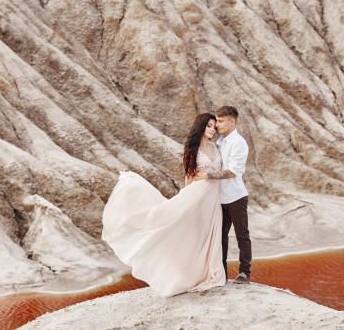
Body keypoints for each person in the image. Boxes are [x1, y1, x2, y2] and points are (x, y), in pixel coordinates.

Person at [102, 113, 225, 297]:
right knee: (190, 232)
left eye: (214, 127)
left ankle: (207, 273)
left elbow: (221, 172)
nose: (212, 130)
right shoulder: (192, 148)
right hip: (197, 195)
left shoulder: (216, 147)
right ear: (200, 126)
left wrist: (212, 177)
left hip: (213, 198)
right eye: (208, 125)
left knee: (209, 234)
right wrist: (186, 198)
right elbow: (189, 176)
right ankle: (187, 275)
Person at [193, 106, 251, 284]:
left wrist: (208, 175)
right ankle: (222, 272)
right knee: (220, 236)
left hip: (235, 196)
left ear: (232, 122)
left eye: (221, 121)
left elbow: (233, 172)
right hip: (219, 197)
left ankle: (244, 273)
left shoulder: (238, 143)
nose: (217, 125)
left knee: (242, 235)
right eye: (216, 121)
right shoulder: (220, 142)